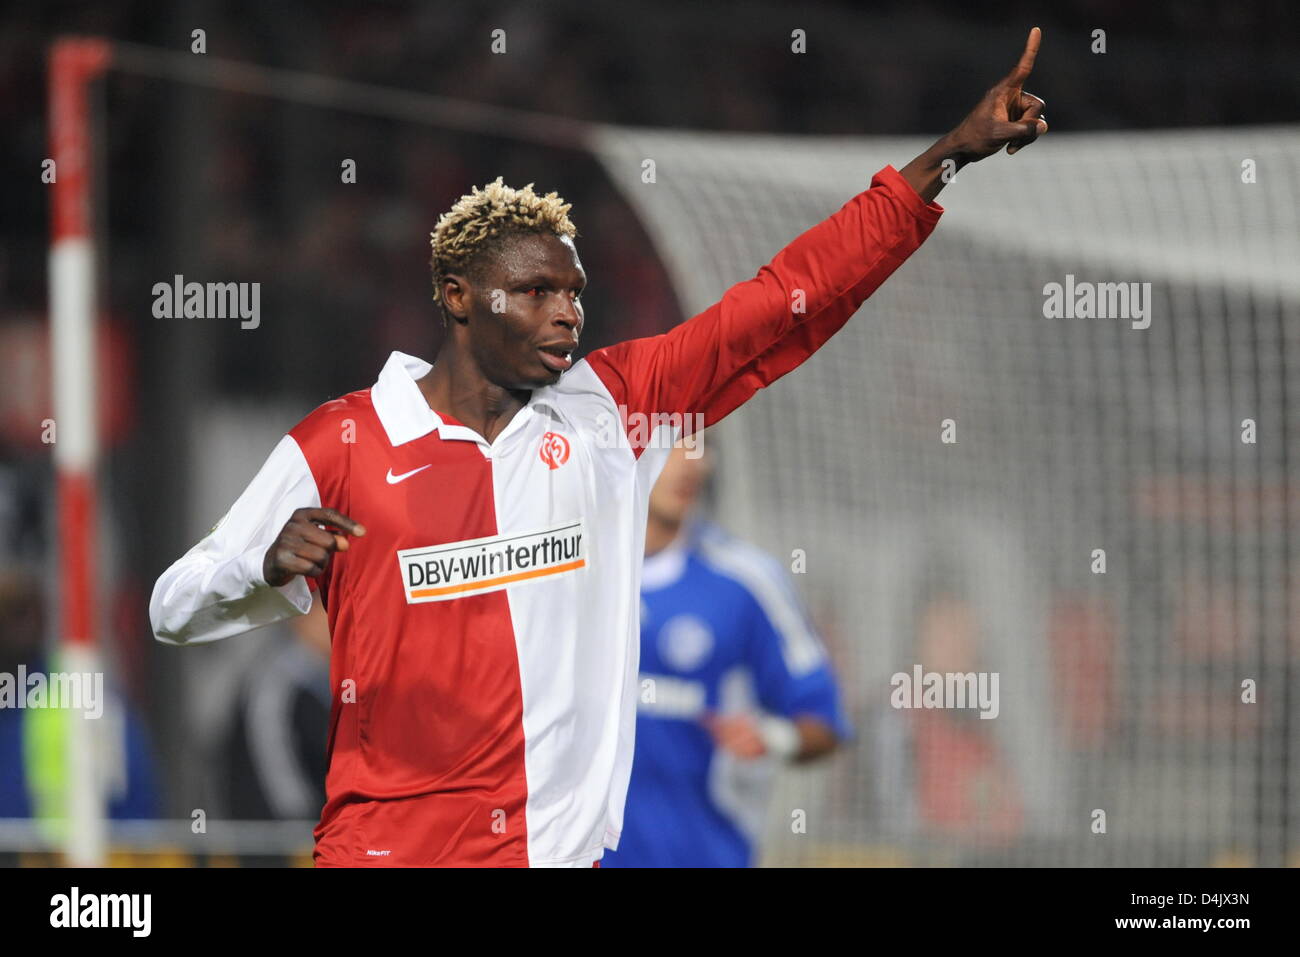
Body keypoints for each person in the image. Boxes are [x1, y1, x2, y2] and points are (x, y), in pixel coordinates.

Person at [149, 29, 1048, 867]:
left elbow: (783, 302)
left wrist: (942, 161)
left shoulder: (611, 409)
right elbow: (172, 607)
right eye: (535, 291)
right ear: (460, 297)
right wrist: (262, 568)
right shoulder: (340, 441)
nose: (567, 311)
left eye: (573, 292)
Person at [601, 443, 850, 868]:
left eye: (702, 446)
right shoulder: (569, 569)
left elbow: (825, 723)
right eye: (672, 442)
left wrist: (775, 736)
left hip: (705, 855)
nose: (693, 462)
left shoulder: (747, 580)